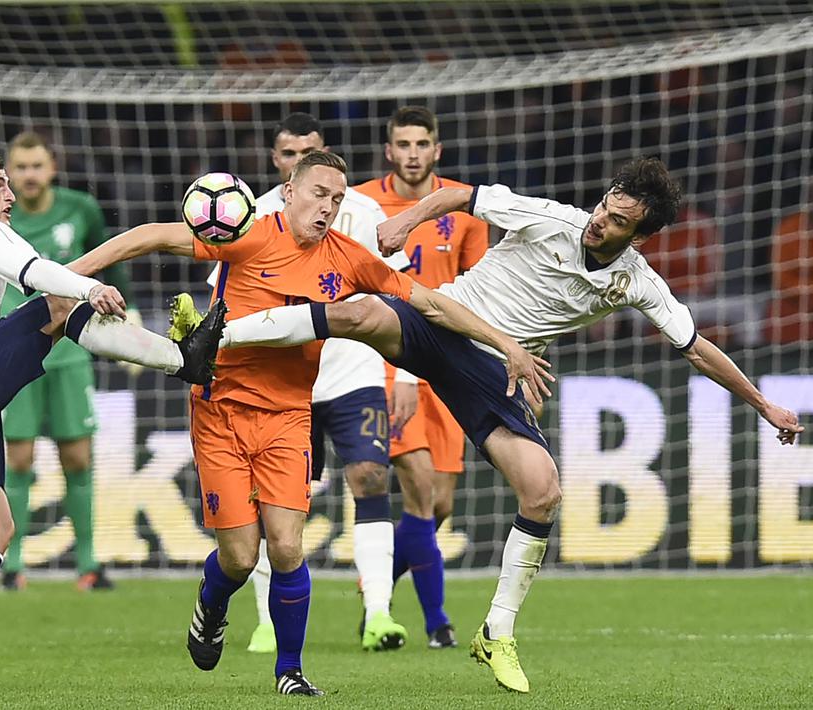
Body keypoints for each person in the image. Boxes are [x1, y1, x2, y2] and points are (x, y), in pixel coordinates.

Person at [212, 156, 804, 693]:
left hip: (496, 372)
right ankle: (220, 337)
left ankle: (496, 631)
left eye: (618, 220)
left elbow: (696, 347)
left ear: (640, 235)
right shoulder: (550, 218)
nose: (600, 221)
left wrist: (763, 405)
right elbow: (460, 197)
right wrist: (406, 222)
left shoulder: (638, 282)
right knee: (362, 311)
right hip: (447, 323)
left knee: (543, 490)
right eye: (604, 205)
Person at [69, 151, 547, 696]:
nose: (328, 207)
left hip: (290, 414)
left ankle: (290, 672)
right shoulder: (245, 232)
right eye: (319, 193)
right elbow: (149, 235)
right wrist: (70, 278)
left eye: (337, 198)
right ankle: (212, 601)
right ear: (289, 190)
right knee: (240, 556)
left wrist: (506, 344)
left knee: (288, 547)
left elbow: (431, 305)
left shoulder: (348, 257)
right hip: (220, 409)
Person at [0, 148, 225, 697]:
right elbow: (34, 275)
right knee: (57, 304)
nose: (8, 196)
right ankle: (185, 361)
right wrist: (89, 288)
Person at [220, 113, 411, 654]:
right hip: (279, 384)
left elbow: (399, 294)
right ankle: (264, 620)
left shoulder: (364, 212)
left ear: (323, 152)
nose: (298, 157)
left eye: (309, 148)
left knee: (372, 477)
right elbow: (224, 293)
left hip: (354, 371)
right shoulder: (251, 215)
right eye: (287, 153)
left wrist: (407, 374)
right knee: (273, 506)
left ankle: (378, 613)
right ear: (280, 166)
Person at [354, 106, 489, 649]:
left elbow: (482, 287)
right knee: (418, 487)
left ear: (437, 150)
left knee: (441, 505)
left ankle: (376, 591)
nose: (412, 153)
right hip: (387, 359)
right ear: (389, 151)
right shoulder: (360, 204)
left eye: (422, 143)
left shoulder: (465, 207)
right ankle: (437, 623)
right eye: (402, 144)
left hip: (448, 366)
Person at [0, 132, 136, 591]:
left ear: (52, 168)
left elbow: (110, 259)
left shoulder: (81, 209)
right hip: (13, 350)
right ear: (7, 173)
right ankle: (11, 564)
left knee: (77, 456)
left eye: (37, 166)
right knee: (17, 458)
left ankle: (87, 565)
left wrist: (128, 308)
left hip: (71, 349)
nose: (29, 175)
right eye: (20, 167)